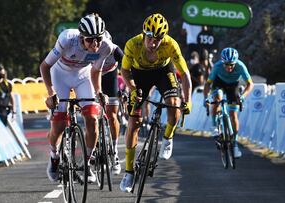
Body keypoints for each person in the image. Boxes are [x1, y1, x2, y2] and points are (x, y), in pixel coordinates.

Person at [119, 13, 192, 193]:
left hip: (163, 72)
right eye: (150, 38)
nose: (153, 43)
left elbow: (185, 75)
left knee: (174, 105)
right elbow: (125, 71)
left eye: (158, 39)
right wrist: (133, 90)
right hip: (139, 75)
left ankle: (167, 137)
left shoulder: (170, 45)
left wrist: (188, 100)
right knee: (133, 122)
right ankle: (129, 172)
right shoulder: (132, 44)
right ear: (144, 34)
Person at [40, 13, 114, 183]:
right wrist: (51, 93)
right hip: (60, 75)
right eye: (90, 40)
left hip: (83, 76)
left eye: (98, 38)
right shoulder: (67, 39)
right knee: (58, 123)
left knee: (93, 119)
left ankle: (87, 163)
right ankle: (54, 156)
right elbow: (44, 66)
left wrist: (99, 92)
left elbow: (96, 71)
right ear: (81, 37)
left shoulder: (106, 47)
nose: (95, 44)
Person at [203, 47, 254, 158]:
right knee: (218, 100)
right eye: (226, 64)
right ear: (222, 62)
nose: (229, 67)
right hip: (219, 83)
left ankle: (235, 144)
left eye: (232, 64)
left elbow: (250, 84)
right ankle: (214, 126)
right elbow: (207, 84)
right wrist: (206, 98)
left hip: (233, 85)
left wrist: (243, 97)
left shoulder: (240, 66)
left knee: (233, 114)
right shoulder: (217, 67)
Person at [99, 30, 124, 175]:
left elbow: (128, 66)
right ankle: (96, 146)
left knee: (112, 116)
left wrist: (127, 88)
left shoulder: (115, 51)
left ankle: (114, 151)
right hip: (93, 77)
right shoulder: (91, 49)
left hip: (110, 78)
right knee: (92, 114)